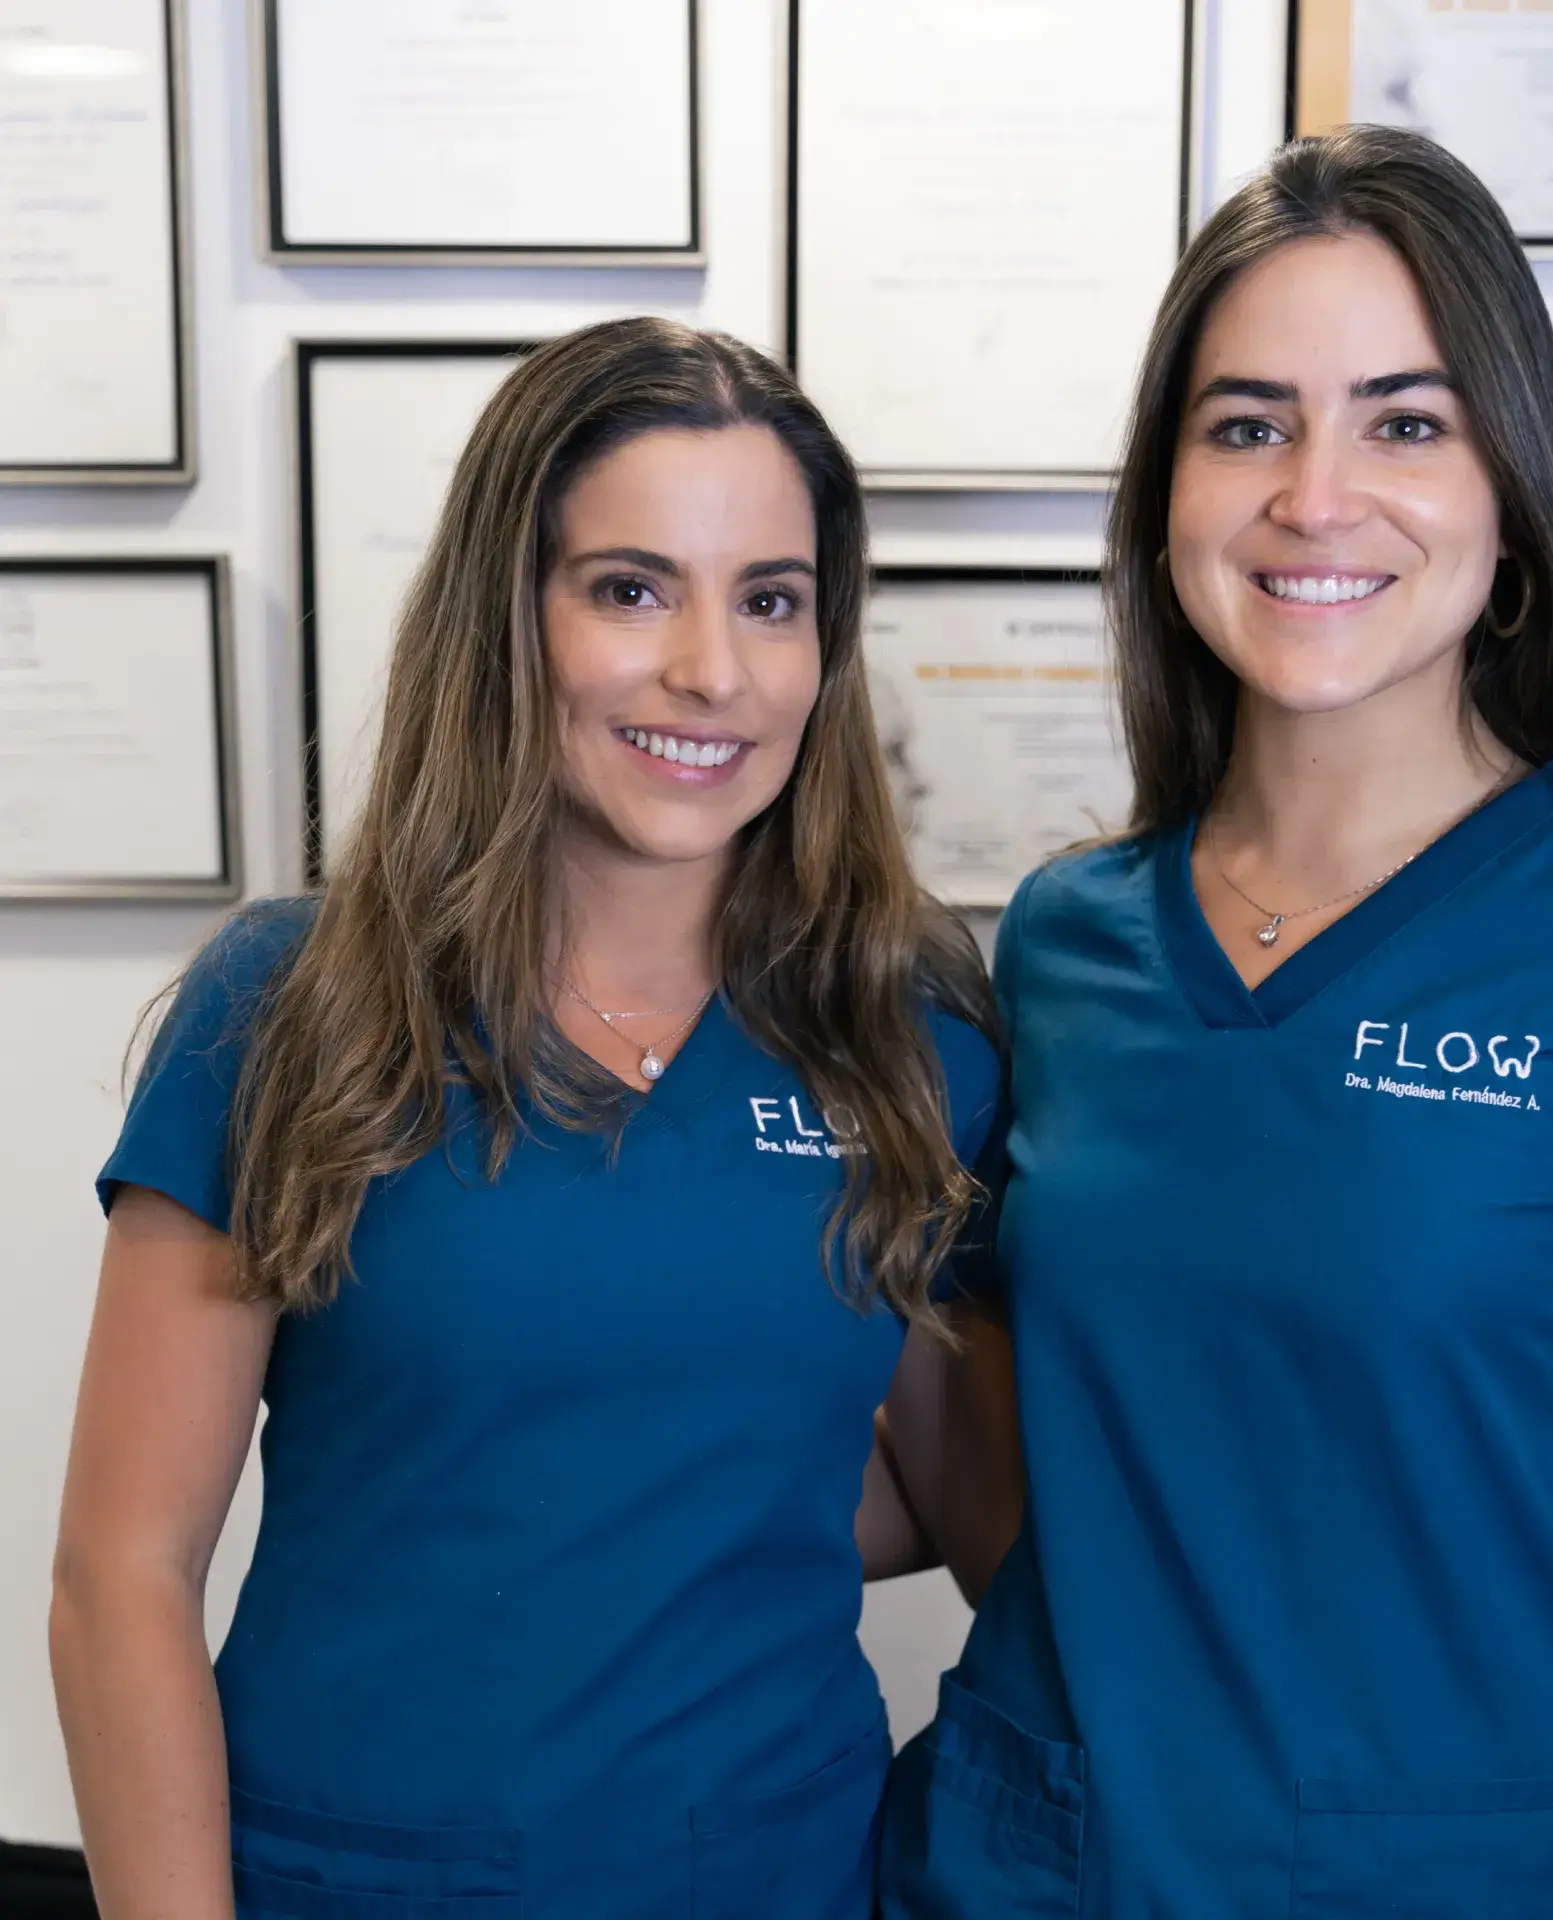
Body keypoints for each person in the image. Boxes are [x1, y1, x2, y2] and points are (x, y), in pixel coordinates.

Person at [877, 127, 1553, 1919]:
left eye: (1405, 422)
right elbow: (1025, 1455)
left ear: (1513, 497)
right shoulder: (1060, 942)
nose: (1315, 493)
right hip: (1032, 1864)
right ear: (1167, 496)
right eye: (1247, 423)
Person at [49, 318, 997, 1920]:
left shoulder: (906, 1033)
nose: (713, 668)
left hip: (776, 1871)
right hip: (355, 1879)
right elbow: (118, 1579)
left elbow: (957, 1499)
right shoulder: (293, 1012)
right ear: (513, 613)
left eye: (772, 600)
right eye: (632, 588)